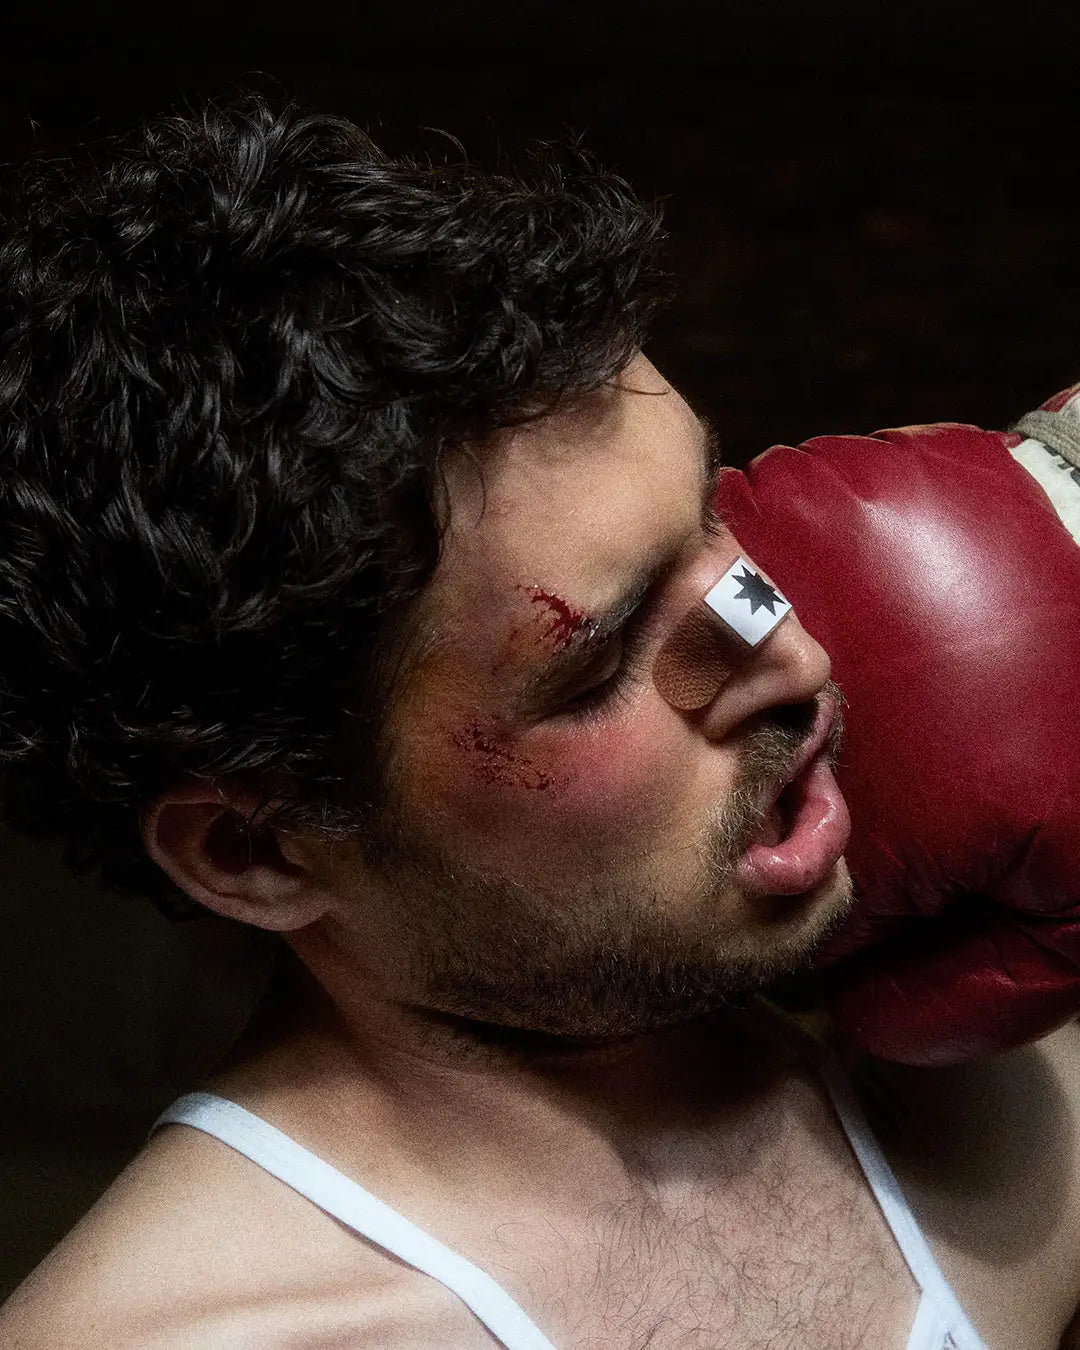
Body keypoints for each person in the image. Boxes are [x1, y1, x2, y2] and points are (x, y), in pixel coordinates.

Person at [1, 91, 1079, 1350]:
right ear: (260, 851)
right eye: (602, 661)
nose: (783, 644)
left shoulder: (994, 1073)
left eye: (712, 520)